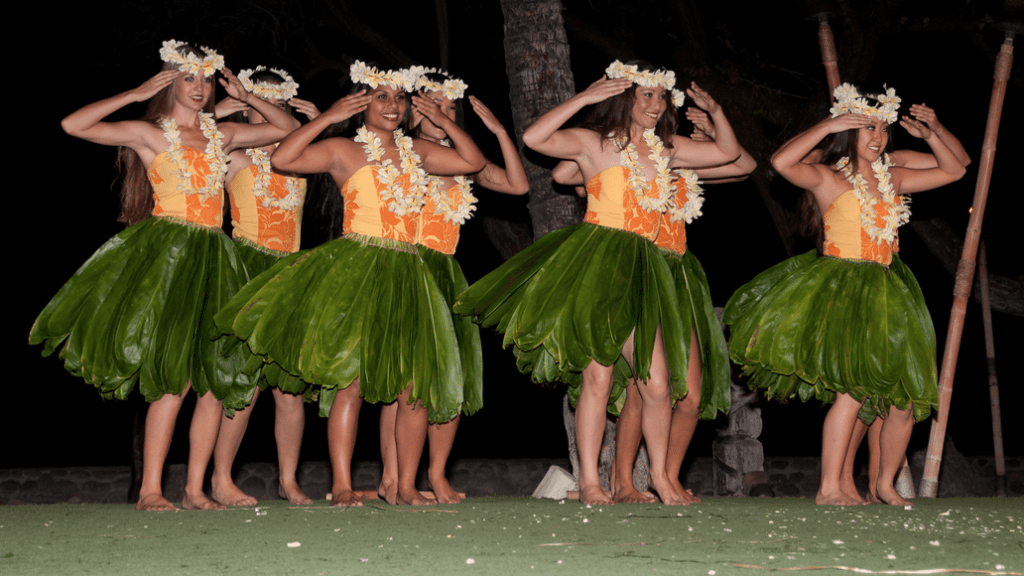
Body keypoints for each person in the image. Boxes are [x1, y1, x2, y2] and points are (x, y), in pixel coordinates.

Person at [455, 60, 742, 506]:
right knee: (599, 376)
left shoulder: (667, 150)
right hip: (600, 262)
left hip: (646, 267)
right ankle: (590, 481)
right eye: (644, 94)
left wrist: (717, 111)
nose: (654, 103)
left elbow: (727, 153)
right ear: (624, 99)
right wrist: (586, 98)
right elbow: (535, 139)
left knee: (658, 383)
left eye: (660, 96)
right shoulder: (595, 144)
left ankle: (662, 479)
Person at [30, 40, 299, 511]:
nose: (199, 87)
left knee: (213, 379)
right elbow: (73, 125)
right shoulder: (150, 133)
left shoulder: (224, 136)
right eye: (188, 77)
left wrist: (247, 97)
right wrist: (135, 92)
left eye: (206, 78)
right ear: (170, 80)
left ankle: (196, 489)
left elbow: (288, 127)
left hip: (217, 256)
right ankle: (152, 489)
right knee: (173, 374)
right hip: (171, 255)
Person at [215, 61, 486, 507]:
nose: (392, 105)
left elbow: (474, 161)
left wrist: (439, 121)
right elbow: (284, 158)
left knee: (413, 384)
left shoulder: (417, 150)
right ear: (362, 102)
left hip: (409, 270)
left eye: (398, 97)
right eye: (381, 96)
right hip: (359, 267)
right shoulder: (342, 149)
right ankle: (341, 484)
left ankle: (403, 486)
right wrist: (326, 117)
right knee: (353, 382)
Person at [724, 83, 967, 506]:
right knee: (853, 391)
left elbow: (957, 168)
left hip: (892, 289)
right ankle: (829, 487)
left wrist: (934, 130)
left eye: (883, 128)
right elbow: (782, 161)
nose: (877, 137)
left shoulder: (896, 173)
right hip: (844, 288)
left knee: (904, 399)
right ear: (849, 130)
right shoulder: (829, 177)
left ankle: (885, 484)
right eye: (866, 127)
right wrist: (829, 124)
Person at [552, 104, 755, 504]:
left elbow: (742, 163)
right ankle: (623, 480)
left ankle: (666, 475)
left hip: (677, 276)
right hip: (636, 267)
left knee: (690, 395)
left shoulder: (677, 163)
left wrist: (713, 128)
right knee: (637, 384)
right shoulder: (630, 159)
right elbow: (566, 174)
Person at [377, 69, 530, 505]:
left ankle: (436, 474)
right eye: (433, 105)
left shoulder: (460, 161)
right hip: (407, 267)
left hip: (447, 272)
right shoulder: (403, 151)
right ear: (413, 108)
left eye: (449, 107)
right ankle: (397, 479)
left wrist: (499, 131)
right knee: (407, 381)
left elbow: (517, 185)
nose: (444, 112)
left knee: (449, 378)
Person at [207, 66, 321, 506]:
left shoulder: (298, 157)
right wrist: (221, 109)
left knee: (290, 388)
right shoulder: (234, 155)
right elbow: (189, 154)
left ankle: (289, 481)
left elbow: (351, 156)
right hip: (246, 269)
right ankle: (221, 477)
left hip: (290, 274)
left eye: (277, 102)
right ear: (245, 107)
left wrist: (320, 121)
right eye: (260, 101)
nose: (268, 111)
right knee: (243, 382)